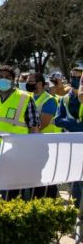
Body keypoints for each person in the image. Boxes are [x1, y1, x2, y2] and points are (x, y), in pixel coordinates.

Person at [0, 65, 39, 198]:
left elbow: (33, 126)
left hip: (16, 149)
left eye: (7, 77)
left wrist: (32, 149)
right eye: (0, 77)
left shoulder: (25, 97)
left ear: (14, 80)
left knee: (13, 188)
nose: (3, 79)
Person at [54, 67, 83, 206]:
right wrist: (72, 123)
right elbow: (57, 120)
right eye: (72, 77)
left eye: (78, 77)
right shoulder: (64, 99)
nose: (75, 80)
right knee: (76, 180)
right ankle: (79, 211)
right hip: (72, 145)